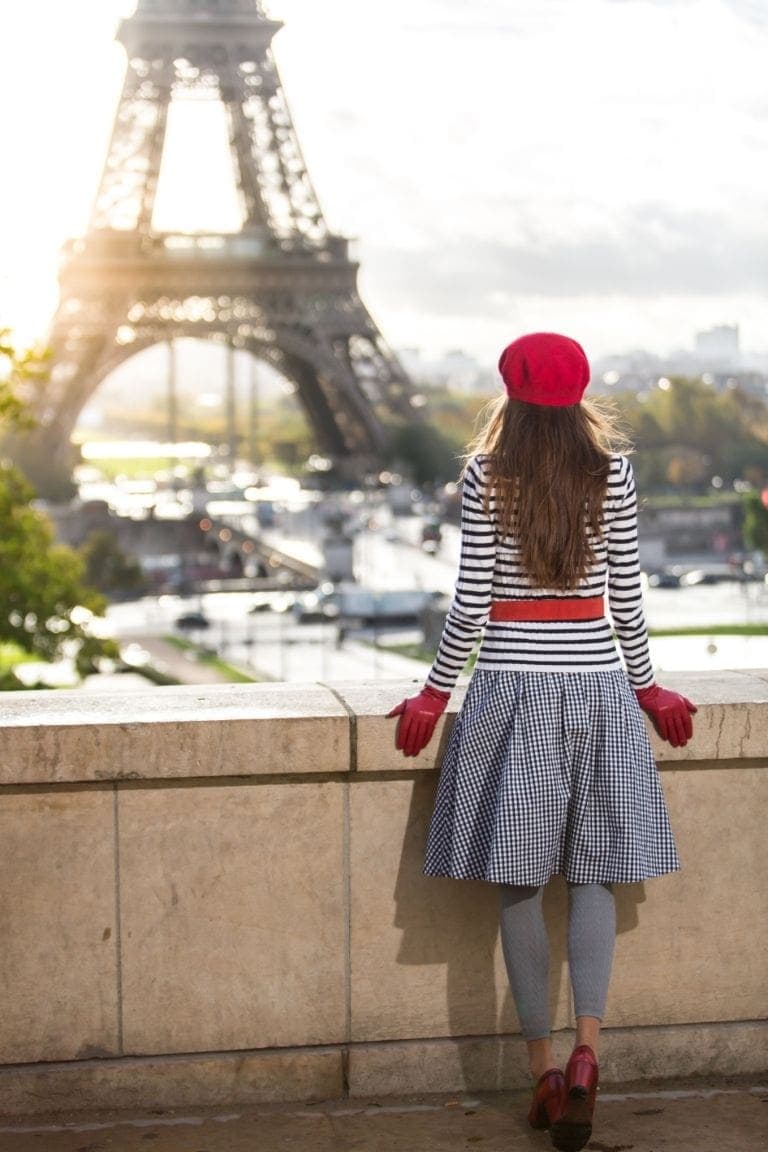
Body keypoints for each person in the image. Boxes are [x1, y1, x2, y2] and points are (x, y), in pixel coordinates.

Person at [387, 332, 696, 1152]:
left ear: (510, 391)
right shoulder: (616, 473)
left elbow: (472, 607)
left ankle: (543, 1074)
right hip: (598, 688)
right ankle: (590, 1050)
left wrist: (431, 693)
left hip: (513, 694)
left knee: (519, 884)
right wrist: (647, 687)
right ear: (583, 389)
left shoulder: (488, 474)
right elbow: (625, 597)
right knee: (593, 876)